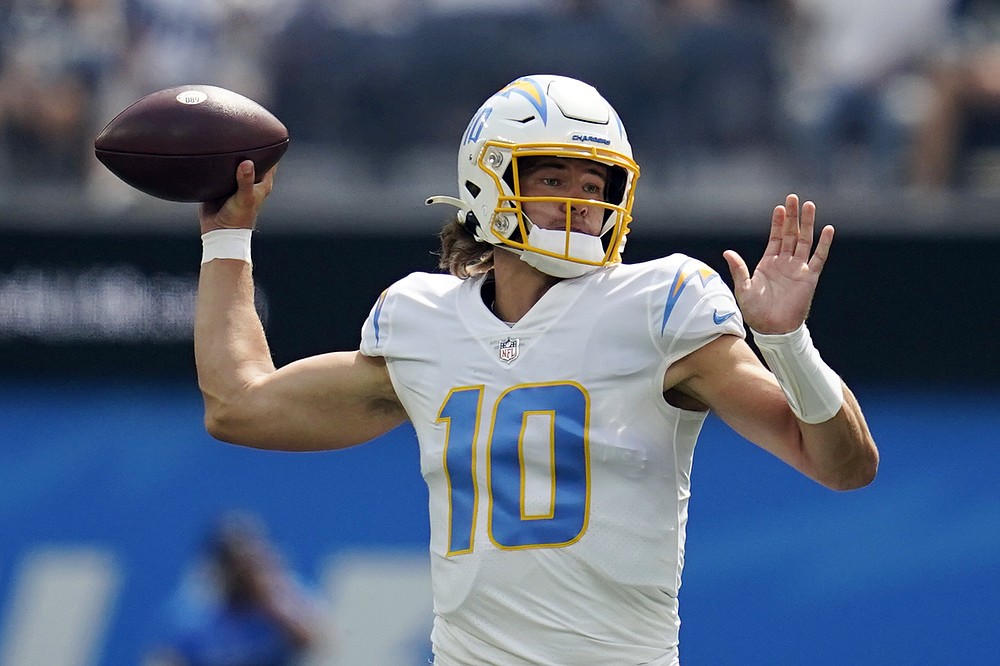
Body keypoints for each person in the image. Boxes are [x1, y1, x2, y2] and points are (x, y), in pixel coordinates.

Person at [194, 74, 879, 665]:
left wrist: (787, 344)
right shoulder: (420, 320)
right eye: (553, 177)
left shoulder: (659, 306)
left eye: (594, 181)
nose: (581, 201)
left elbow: (842, 466)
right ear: (486, 179)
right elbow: (240, 404)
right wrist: (227, 235)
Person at [143, 511, 328, 666]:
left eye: (252, 562)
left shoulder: (288, 595)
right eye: (236, 564)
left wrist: (275, 607)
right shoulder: (190, 612)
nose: (246, 574)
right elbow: (162, 657)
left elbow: (320, 642)